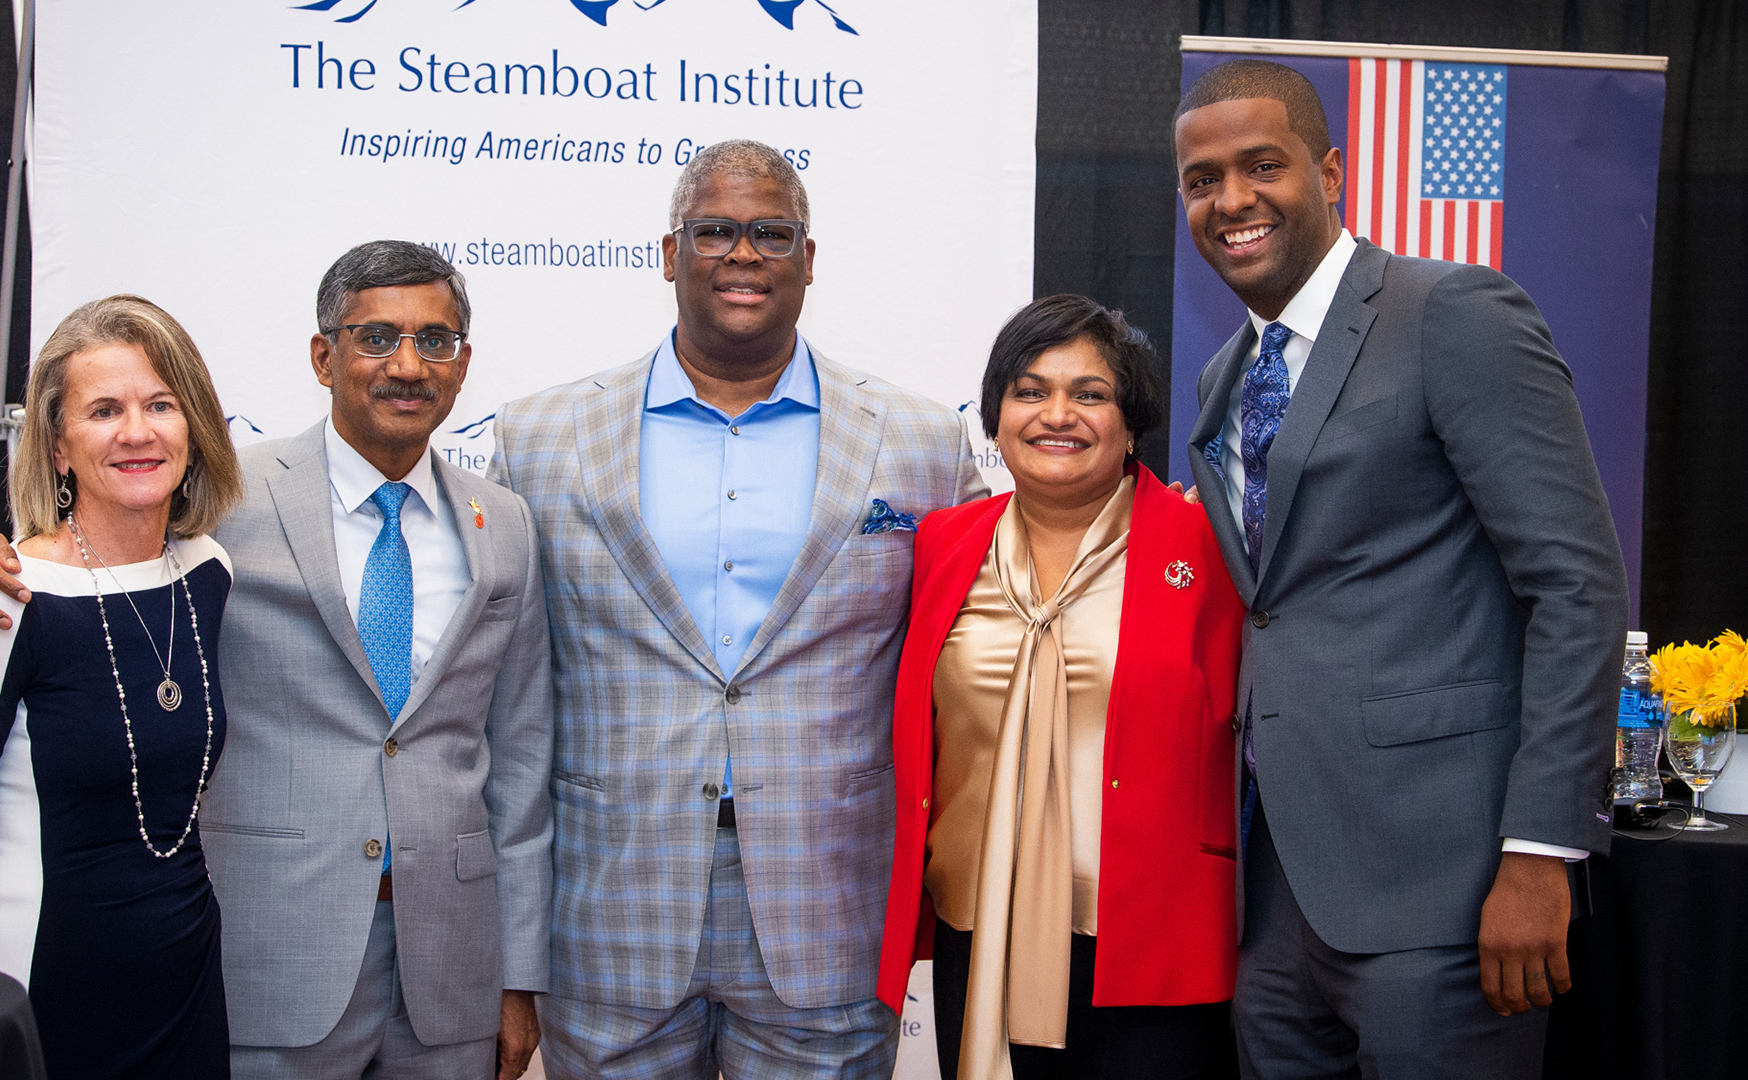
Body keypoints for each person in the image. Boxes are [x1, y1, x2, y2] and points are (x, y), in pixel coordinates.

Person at [0, 241, 553, 1080]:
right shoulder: (224, 502)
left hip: (449, 967)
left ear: (463, 365)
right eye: (376, 337)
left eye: (435, 341)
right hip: (273, 963)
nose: (407, 365)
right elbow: (87, 557)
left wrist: (519, 973)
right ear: (323, 356)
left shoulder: (501, 523)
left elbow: (523, 759)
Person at [488, 139, 987, 1077]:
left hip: (827, 903)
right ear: (669, 253)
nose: (743, 254)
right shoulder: (540, 435)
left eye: (772, 233)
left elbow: (963, 664)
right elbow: (508, 701)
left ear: (810, 258)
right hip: (610, 903)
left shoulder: (920, 440)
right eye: (714, 230)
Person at [1173, 60, 1627, 1077]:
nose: (1232, 200)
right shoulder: (1221, 376)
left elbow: (1577, 585)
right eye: (1203, 181)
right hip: (1276, 890)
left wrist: (1541, 851)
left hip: (1450, 887)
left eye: (1262, 166)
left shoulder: (1450, 312)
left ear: (1330, 171)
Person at [875, 295, 1245, 1080]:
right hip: (978, 927)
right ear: (997, 415)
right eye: (1031, 390)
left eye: (1090, 393)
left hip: (1153, 939)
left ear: (1131, 419)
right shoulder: (945, 545)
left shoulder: (1205, 544)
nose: (1058, 414)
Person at [0, 295, 243, 1077]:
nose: (136, 431)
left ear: (192, 428)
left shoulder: (209, 574)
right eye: (103, 410)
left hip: (185, 975)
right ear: (57, 446)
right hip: (34, 984)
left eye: (160, 404)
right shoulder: (8, 594)